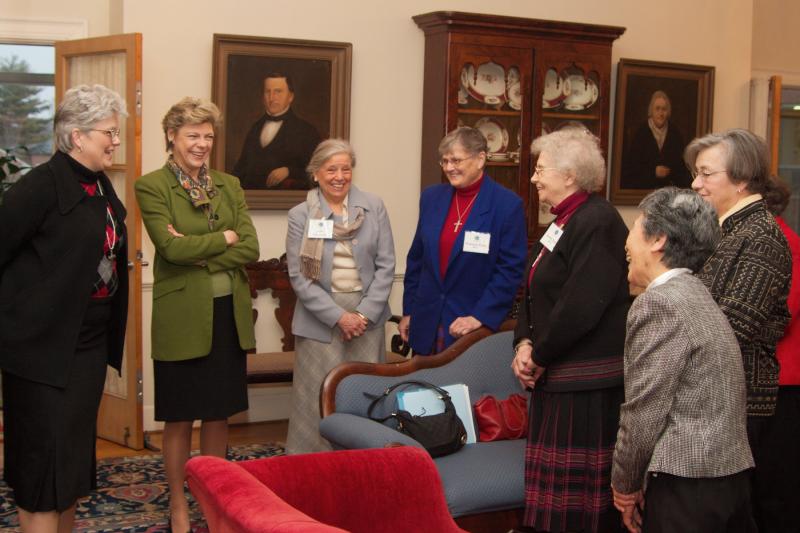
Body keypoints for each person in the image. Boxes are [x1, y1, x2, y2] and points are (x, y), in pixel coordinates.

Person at [0, 84, 129, 532]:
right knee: (41, 470)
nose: (115, 140)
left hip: (87, 346)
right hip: (39, 352)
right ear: (77, 136)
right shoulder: (36, 188)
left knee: (70, 467)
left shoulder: (99, 184)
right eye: (109, 132)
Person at [135, 97, 259, 533]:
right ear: (172, 136)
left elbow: (250, 247)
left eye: (208, 136)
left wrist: (201, 249)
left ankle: (213, 498)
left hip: (228, 314)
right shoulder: (151, 186)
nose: (202, 144)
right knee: (180, 415)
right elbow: (168, 248)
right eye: (193, 135)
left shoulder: (230, 184)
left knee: (219, 412)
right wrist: (221, 239)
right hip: (182, 316)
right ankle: (177, 504)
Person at [612, 187, 756, 533]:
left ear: (658, 239)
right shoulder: (696, 293)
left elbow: (644, 411)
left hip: (688, 484)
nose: (626, 244)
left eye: (635, 227)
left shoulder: (659, 303)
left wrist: (624, 484)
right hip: (727, 476)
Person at [511, 128, 630, 532]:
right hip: (557, 378)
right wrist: (524, 342)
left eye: (540, 169)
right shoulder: (562, 220)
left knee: (578, 513)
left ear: (570, 175)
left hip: (585, 387)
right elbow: (531, 286)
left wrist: (539, 356)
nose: (533, 178)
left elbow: (582, 305)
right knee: (553, 510)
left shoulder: (598, 221)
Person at [687, 128, 792, 531]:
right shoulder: (727, 230)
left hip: (737, 400)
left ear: (742, 178)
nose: (696, 184)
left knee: (727, 516)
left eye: (706, 174)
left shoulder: (759, 236)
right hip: (717, 398)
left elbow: (730, 329)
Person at [285, 138, 395, 454]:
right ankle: (314, 471)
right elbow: (299, 277)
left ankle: (363, 464)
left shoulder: (373, 206)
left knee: (365, 396)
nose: (339, 176)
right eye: (331, 169)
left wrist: (362, 315)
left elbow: (386, 264)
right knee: (315, 401)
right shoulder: (301, 214)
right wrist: (339, 317)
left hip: (366, 319)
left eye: (345, 169)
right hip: (320, 322)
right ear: (316, 174)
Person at [400, 126, 527, 354]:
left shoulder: (507, 205)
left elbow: (510, 272)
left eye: (456, 161)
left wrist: (480, 316)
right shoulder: (431, 198)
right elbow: (417, 260)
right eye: (445, 161)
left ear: (480, 159)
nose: (449, 168)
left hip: (471, 328)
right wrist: (409, 310)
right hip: (426, 321)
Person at [751, 180, 800, 533]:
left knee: (775, 484)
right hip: (763, 379)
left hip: (782, 383)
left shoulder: (786, 246)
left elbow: (781, 316)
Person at [233, 72, 321, 190]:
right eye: (268, 92)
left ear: (290, 97)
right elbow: (240, 169)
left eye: (278, 91)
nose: (272, 98)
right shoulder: (255, 128)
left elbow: (319, 171)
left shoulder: (307, 131)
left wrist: (289, 171)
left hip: (287, 203)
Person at [621, 90, 691, 190]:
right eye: (657, 109)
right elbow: (632, 168)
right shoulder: (641, 133)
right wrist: (653, 172)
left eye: (664, 109)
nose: (661, 113)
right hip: (644, 190)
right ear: (651, 111)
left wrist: (670, 172)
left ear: (668, 112)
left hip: (669, 191)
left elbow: (681, 168)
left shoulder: (675, 134)